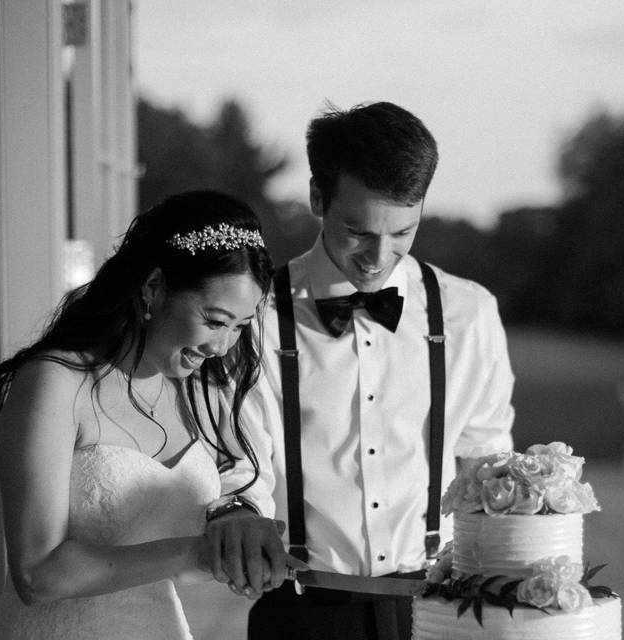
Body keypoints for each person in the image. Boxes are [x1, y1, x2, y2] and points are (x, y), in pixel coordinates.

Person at [220, 102, 516, 640]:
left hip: (441, 610)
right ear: (317, 197)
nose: (379, 257)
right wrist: (238, 514)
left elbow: (485, 462)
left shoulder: (469, 314)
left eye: (403, 232)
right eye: (358, 231)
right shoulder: (255, 317)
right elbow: (239, 464)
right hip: (304, 612)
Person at [0, 191, 302, 640]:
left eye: (239, 326)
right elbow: (37, 575)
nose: (222, 347)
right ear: (154, 287)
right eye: (215, 320)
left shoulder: (200, 393)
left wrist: (237, 535)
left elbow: (239, 484)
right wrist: (197, 553)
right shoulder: (56, 383)